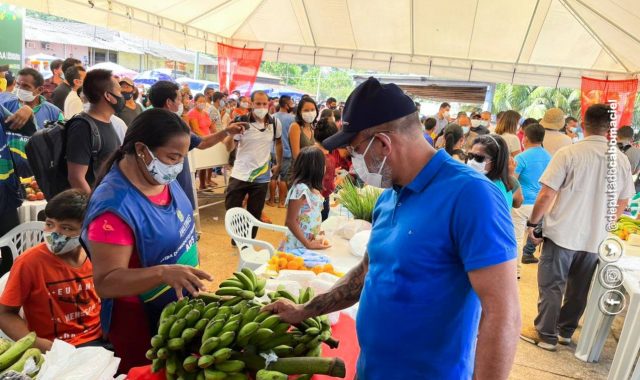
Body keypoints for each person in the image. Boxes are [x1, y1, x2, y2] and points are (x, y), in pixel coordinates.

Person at [264, 77, 520, 379]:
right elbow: (368, 271)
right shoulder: (388, 196)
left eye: (355, 149)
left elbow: (502, 314)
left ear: (383, 144)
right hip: (371, 369)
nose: (352, 159)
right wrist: (304, 310)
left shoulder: (472, 196)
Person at [83, 109, 213, 372]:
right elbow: (106, 283)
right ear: (142, 150)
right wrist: (163, 273)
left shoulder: (160, 177)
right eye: (173, 157)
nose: (178, 167)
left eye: (182, 158)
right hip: (140, 321)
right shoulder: (114, 208)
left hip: (178, 309)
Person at [521, 104, 634, 351]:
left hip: (563, 231)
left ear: (583, 124)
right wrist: (607, 223)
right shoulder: (622, 160)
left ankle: (546, 334)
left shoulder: (569, 153)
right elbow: (624, 201)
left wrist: (533, 223)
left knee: (552, 285)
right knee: (579, 289)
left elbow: (546, 193)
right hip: (596, 238)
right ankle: (565, 331)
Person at [0, 189, 102, 351]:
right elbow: (5, 313)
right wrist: (35, 343)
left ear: (87, 229)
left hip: (99, 341)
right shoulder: (29, 263)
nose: (55, 233)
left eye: (67, 228)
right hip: (53, 349)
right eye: (49, 224)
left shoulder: (97, 256)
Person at [148, 81, 243, 210]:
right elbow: (202, 143)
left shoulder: (143, 121)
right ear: (169, 102)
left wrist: (226, 132)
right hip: (170, 190)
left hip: (155, 191)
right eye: (180, 99)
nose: (182, 103)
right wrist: (226, 132)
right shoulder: (176, 126)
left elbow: (202, 141)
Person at [223, 90, 283, 240]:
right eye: (258, 103)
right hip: (240, 173)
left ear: (268, 104)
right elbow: (229, 147)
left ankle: (248, 240)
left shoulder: (274, 123)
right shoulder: (241, 121)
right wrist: (231, 133)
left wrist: (279, 163)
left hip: (261, 176)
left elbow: (279, 143)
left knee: (255, 212)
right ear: (251, 103)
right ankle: (237, 238)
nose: (261, 107)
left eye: (264, 103)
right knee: (233, 208)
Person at [66, 69, 121, 194]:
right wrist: (93, 207)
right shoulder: (82, 127)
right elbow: (76, 177)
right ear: (108, 96)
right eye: (119, 91)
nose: (121, 95)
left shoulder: (108, 122)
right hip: (95, 204)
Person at [511, 123, 551, 267]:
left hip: (522, 204)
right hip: (541, 205)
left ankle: (515, 271)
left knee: (516, 239)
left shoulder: (521, 158)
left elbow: (513, 181)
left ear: (525, 138)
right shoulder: (550, 157)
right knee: (535, 237)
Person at [279, 146, 331, 251]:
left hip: (308, 242)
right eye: (323, 164)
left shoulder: (313, 189)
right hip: (297, 244)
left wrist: (317, 232)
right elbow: (290, 221)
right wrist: (307, 244)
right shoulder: (300, 189)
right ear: (316, 168)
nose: (325, 167)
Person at [468, 134, 522, 209]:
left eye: (479, 158)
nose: (472, 161)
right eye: (470, 156)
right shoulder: (504, 182)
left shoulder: (488, 189)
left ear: (496, 161)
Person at [267, 95, 295, 208]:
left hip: (272, 151)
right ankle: (282, 202)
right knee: (284, 178)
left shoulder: (271, 117)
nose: (292, 104)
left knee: (273, 176)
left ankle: (272, 200)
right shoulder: (293, 119)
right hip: (286, 152)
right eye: (291, 102)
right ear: (285, 104)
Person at [314, 118, 339, 220]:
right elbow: (328, 187)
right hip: (320, 201)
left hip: (306, 201)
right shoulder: (328, 159)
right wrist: (337, 180)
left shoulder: (308, 152)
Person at [288, 96, 318, 162]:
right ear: (300, 112)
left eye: (312, 110)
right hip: (299, 169)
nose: (310, 113)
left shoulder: (312, 127)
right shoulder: (295, 127)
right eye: (306, 110)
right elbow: (296, 155)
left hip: (310, 167)